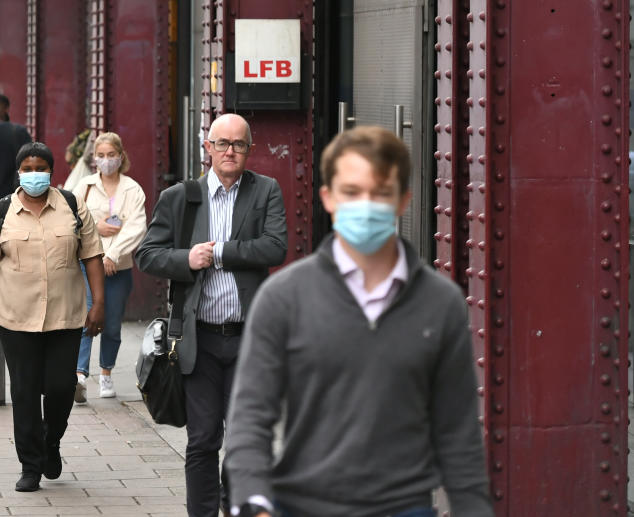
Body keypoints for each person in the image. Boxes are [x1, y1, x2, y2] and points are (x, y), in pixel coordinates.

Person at [224, 127, 492, 517]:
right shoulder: (284, 298)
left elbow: (459, 434)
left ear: (403, 200)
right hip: (303, 506)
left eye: (380, 192)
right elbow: (250, 417)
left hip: (404, 507)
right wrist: (254, 502)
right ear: (328, 198)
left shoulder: (440, 303)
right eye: (351, 192)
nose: (365, 205)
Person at [134, 113, 287, 517]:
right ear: (208, 147)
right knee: (203, 439)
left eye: (239, 144)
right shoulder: (181, 197)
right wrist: (188, 257)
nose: (230, 151)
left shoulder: (266, 191)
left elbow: (275, 248)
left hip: (248, 338)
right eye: (222, 143)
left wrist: (219, 251)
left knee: (243, 439)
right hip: (197, 340)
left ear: (250, 149)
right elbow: (147, 254)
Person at [0, 142, 105, 493]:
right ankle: (30, 466)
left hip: (65, 316)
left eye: (41, 167)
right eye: (28, 167)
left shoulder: (72, 206)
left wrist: (98, 303)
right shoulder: (1, 211)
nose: (34, 173)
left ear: (51, 171)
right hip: (14, 316)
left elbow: (93, 256)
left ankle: (50, 441)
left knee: (60, 387)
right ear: (18, 172)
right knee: (24, 392)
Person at [71, 131, 147, 403]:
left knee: (112, 325)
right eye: (101, 156)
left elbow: (136, 227)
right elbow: (72, 219)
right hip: (88, 265)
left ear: (121, 156)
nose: (106, 160)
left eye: (111, 155)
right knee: (87, 318)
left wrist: (112, 254)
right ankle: (79, 376)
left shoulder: (132, 189)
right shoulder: (86, 186)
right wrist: (97, 228)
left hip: (119, 267)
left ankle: (106, 373)